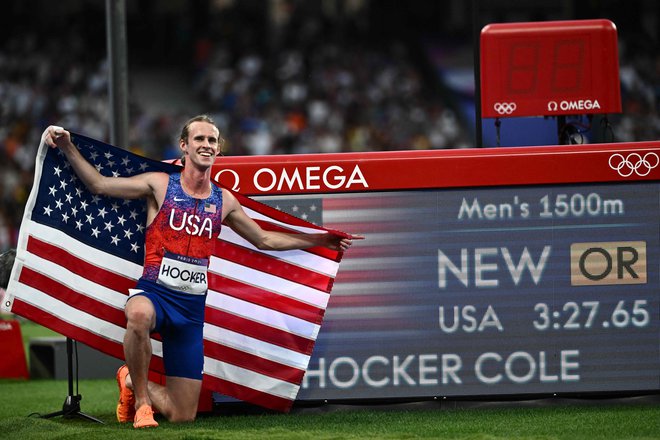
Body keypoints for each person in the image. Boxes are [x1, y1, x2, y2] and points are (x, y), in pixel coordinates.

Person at [43, 115, 360, 428]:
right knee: (138, 315)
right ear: (184, 145)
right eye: (200, 139)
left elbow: (264, 239)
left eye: (212, 140)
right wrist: (69, 147)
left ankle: (129, 380)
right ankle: (142, 405)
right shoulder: (159, 184)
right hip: (154, 293)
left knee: (183, 414)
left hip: (190, 312)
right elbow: (99, 184)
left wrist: (320, 239)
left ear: (218, 149)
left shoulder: (224, 201)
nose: (206, 145)